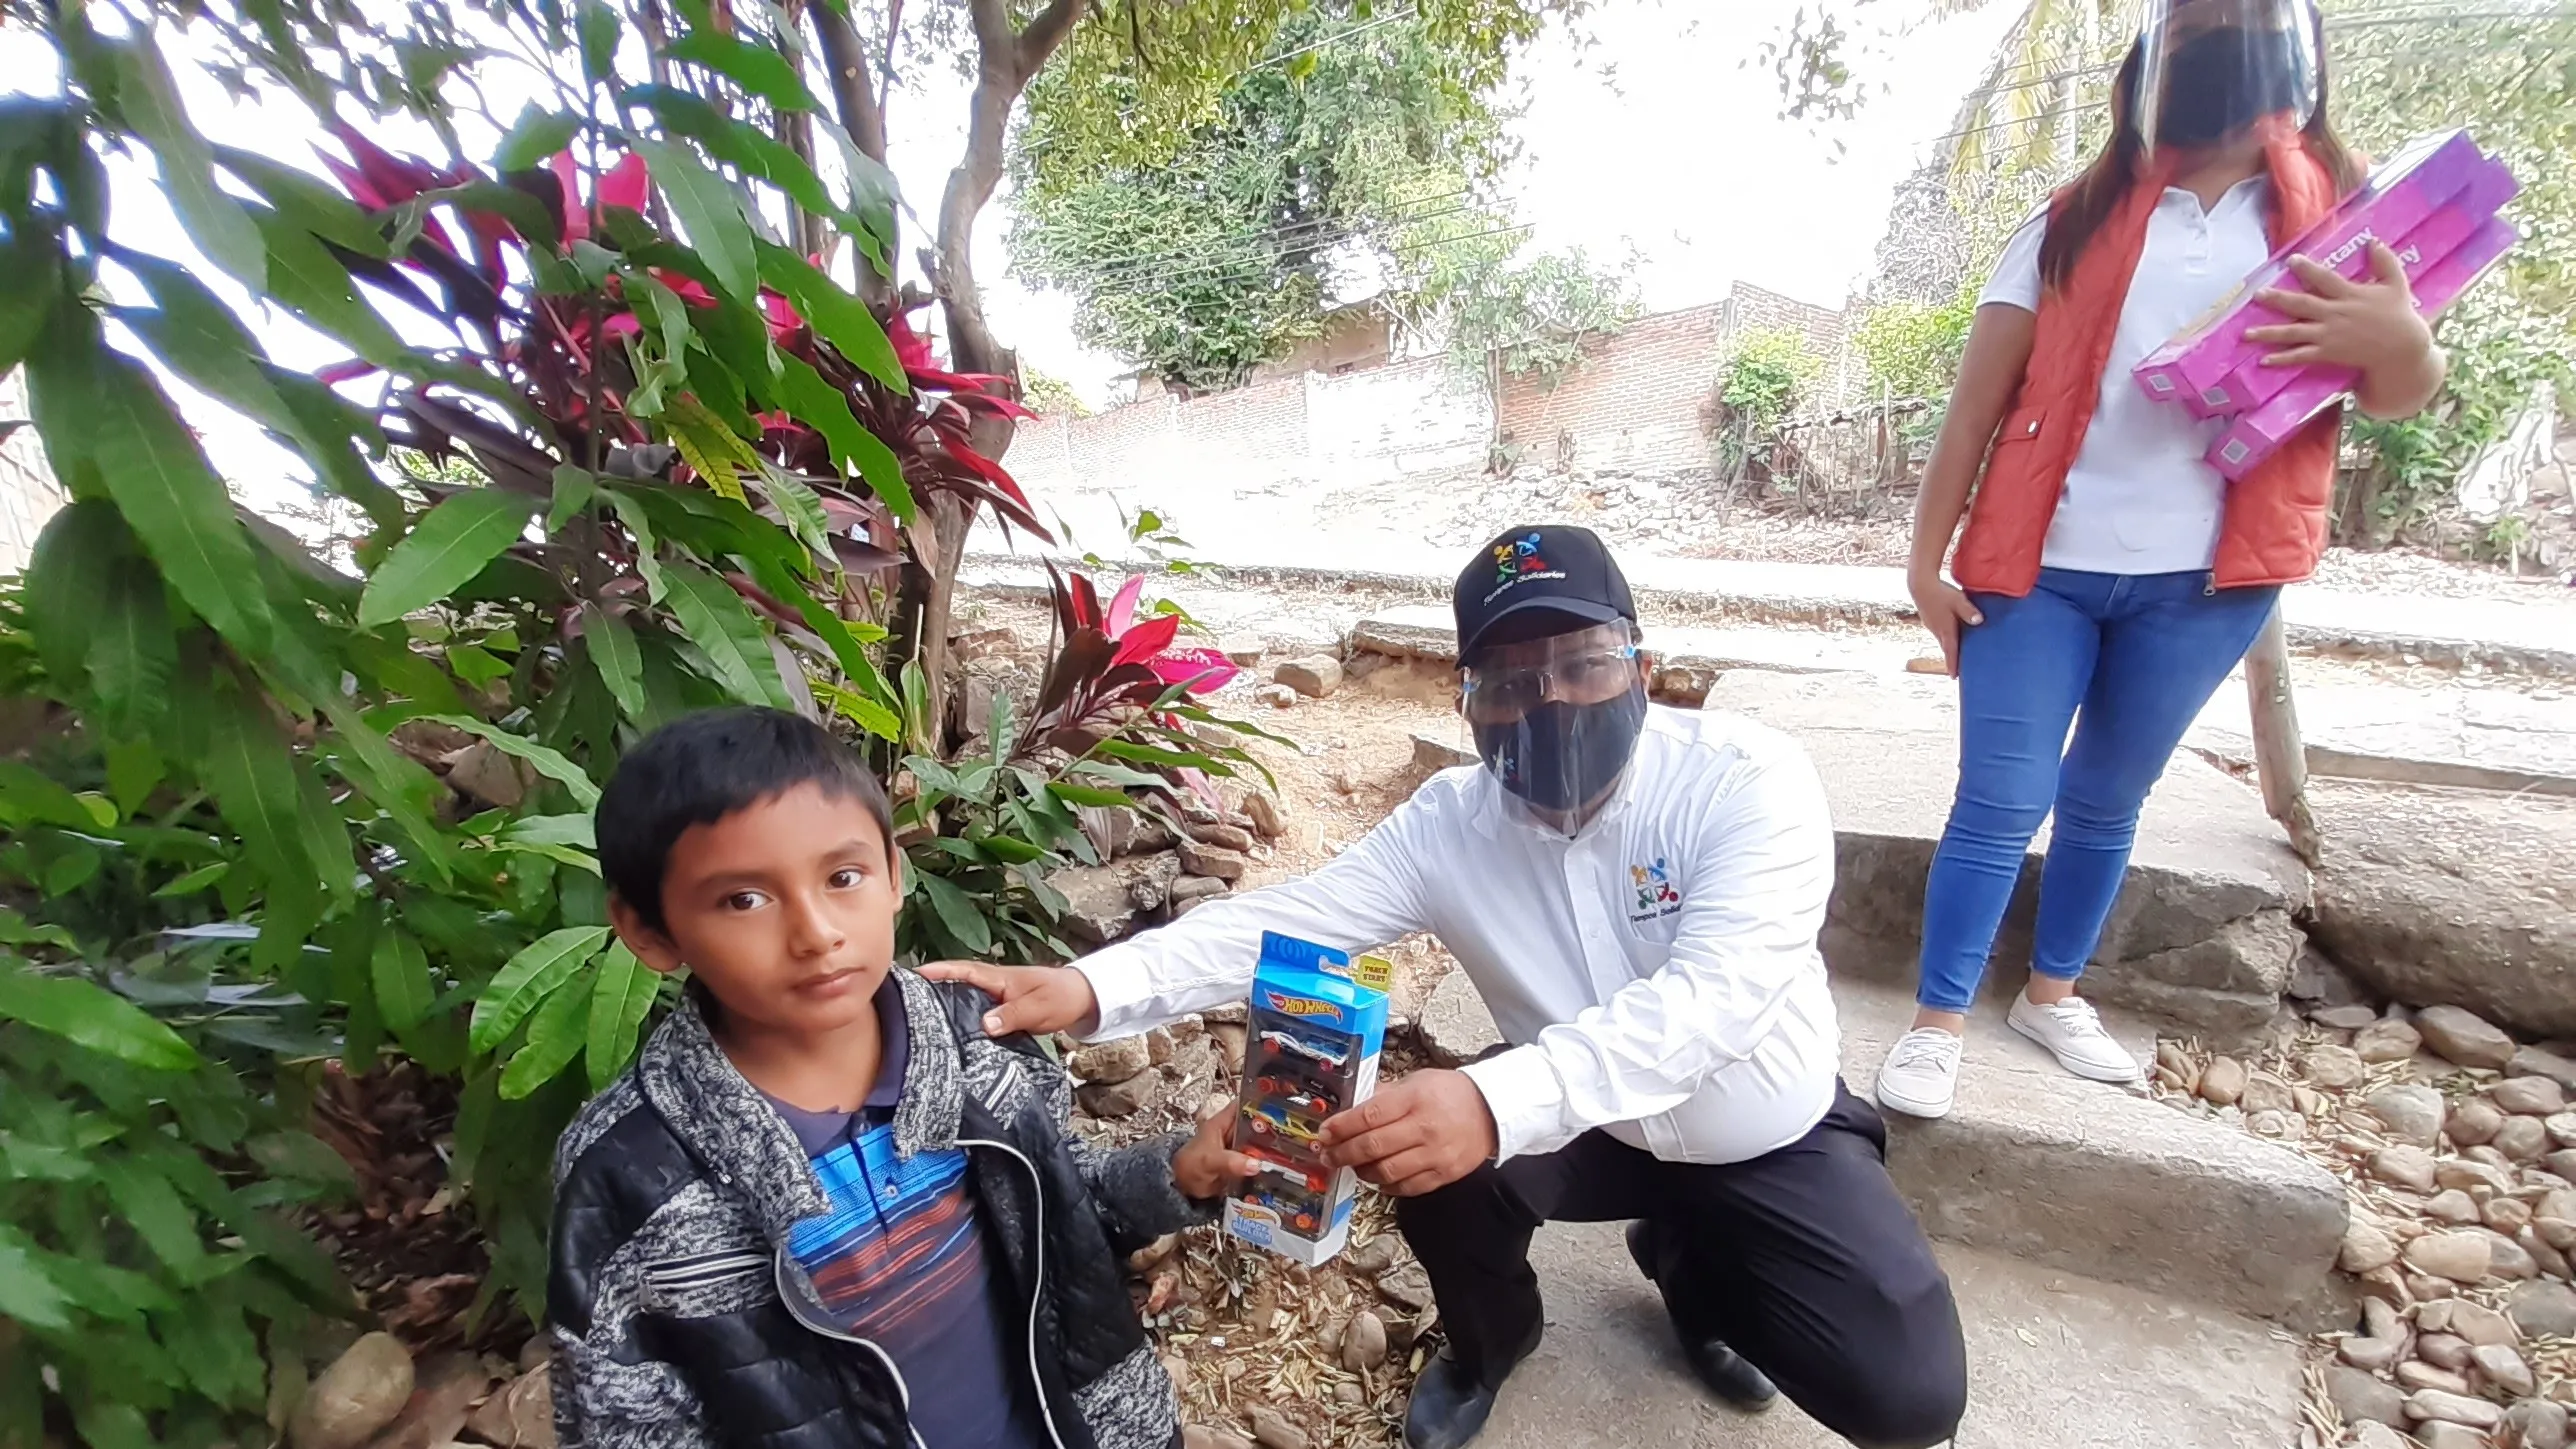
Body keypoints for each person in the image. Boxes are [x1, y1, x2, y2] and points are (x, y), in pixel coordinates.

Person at [928, 525, 1968, 1449]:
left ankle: (1693, 1270)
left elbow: (1717, 1000)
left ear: (1642, 667)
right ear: (1466, 703)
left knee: (1906, 1398)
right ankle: (1486, 1347)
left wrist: (1492, 1100)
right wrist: (1086, 987)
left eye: (1581, 662)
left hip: (1763, 1131)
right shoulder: (1448, 825)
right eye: (1509, 681)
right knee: (1427, 1160)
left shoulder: (1745, 781)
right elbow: (1280, 922)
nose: (1549, 699)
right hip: (1579, 1124)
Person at [1872, 0, 2448, 1122]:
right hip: (2034, 571)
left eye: (2238, 29)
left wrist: (2404, 343)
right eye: (2186, 34)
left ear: (2293, 57)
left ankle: (2050, 994)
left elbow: (2396, 391)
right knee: (1999, 798)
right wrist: (1922, 564)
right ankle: (1937, 1020)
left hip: (2206, 584)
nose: (2212, 46)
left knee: (2105, 798)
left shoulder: (2340, 218)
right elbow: (1974, 406)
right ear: (2147, 65)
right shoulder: (2071, 219)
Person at [546, 707, 1255, 1449]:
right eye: (743, 899)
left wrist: (1178, 1174)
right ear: (650, 931)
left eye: (842, 877)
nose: (817, 933)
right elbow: (628, 1422)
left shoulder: (975, 1041)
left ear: (893, 873)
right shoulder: (631, 1176)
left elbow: (1068, 1208)